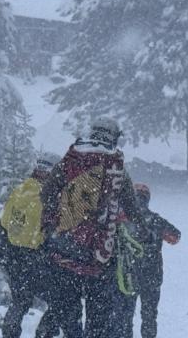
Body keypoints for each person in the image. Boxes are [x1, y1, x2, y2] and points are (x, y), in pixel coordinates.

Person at [40, 118, 130, 338]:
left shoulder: (71, 158)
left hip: (65, 250)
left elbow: (47, 194)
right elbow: (130, 204)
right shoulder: (116, 165)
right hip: (100, 254)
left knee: (68, 311)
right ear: (114, 136)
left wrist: (57, 223)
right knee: (99, 316)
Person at [0, 153, 61, 338]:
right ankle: (44, 333)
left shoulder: (21, 190)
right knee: (61, 300)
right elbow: (54, 230)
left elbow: (4, 224)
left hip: (13, 255)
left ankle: (9, 334)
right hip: (37, 258)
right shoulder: (51, 196)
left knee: (20, 301)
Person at [111, 183, 180, 338]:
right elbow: (175, 237)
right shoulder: (156, 220)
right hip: (151, 275)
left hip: (127, 275)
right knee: (149, 316)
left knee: (125, 316)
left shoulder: (121, 220)